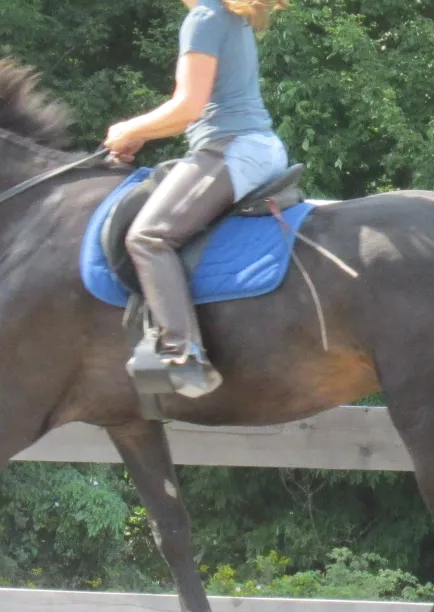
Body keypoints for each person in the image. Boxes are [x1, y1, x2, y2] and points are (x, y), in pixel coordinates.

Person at [104, 0, 290, 398]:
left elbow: (187, 106)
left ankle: (184, 355)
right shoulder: (228, 14)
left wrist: (125, 128)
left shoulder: (205, 17)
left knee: (149, 237)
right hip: (249, 145)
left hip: (231, 148)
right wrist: (144, 133)